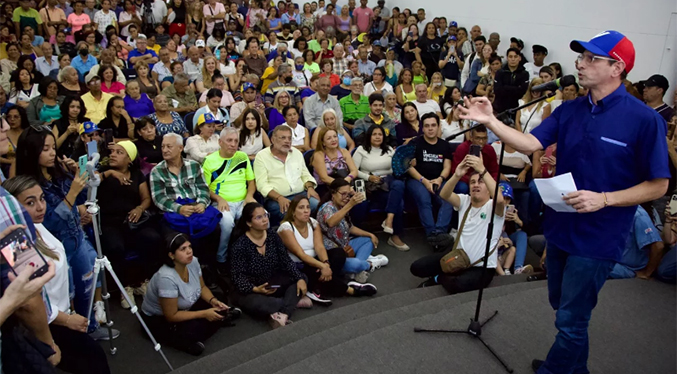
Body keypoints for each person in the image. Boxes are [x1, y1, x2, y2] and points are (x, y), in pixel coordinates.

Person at [458, 30, 670, 374]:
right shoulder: (570, 108)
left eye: (591, 59)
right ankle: (576, 367)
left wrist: (605, 199)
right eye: (581, 57)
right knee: (561, 305)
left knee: (572, 319)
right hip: (561, 227)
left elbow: (659, 185)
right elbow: (528, 144)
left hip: (600, 236)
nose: (580, 64)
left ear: (617, 67)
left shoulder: (645, 120)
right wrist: (491, 120)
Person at [3, 175, 112, 373]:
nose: (40, 207)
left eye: (42, 198)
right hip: (43, 326)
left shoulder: (39, 227)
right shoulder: (16, 243)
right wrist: (64, 323)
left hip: (60, 316)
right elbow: (27, 298)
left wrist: (70, 310)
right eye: (30, 202)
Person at [14, 126, 115, 339]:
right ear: (31, 152)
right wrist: (73, 194)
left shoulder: (58, 172)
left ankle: (89, 329)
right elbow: (47, 222)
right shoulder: (28, 185)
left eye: (53, 147)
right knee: (64, 295)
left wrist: (75, 176)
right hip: (54, 246)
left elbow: (80, 202)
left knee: (86, 287)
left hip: (77, 237)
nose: (52, 153)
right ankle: (70, 336)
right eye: (45, 149)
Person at [412, 153, 502, 292]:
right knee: (417, 267)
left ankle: (439, 278)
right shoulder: (465, 201)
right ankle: (446, 275)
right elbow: (444, 194)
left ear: (489, 188)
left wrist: (482, 170)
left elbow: (500, 200)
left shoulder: (493, 206)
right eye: (472, 182)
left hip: (482, 266)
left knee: (457, 285)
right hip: (457, 257)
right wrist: (457, 174)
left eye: (480, 181)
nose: (476, 185)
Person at [142, 233, 239, 356]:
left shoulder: (193, 261)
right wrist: (204, 313)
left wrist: (213, 301)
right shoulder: (166, 278)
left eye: (189, 247)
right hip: (160, 319)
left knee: (220, 298)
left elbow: (202, 287)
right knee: (193, 329)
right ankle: (216, 321)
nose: (189, 252)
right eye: (183, 249)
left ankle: (216, 319)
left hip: (185, 304)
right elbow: (171, 316)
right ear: (171, 255)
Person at [278, 194, 377, 305]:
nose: (306, 211)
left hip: (315, 261)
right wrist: (322, 266)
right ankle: (351, 290)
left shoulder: (313, 222)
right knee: (312, 271)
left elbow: (319, 246)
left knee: (338, 253)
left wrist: (326, 263)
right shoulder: (285, 228)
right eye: (301, 208)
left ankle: (319, 286)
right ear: (293, 212)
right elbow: (301, 254)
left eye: (308, 207)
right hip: (299, 265)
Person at [229, 201, 308, 327]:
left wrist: (299, 278)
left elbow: (285, 260)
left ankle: (282, 314)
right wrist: (255, 289)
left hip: (272, 281)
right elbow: (238, 277)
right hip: (252, 288)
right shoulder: (240, 245)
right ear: (249, 223)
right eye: (259, 217)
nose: (265, 220)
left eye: (265, 215)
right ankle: (290, 303)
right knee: (262, 304)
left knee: (302, 277)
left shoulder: (272, 235)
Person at [202, 127, 256, 271]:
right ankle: (221, 259)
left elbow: (251, 182)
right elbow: (205, 188)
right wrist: (219, 199)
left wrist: (249, 197)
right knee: (227, 223)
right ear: (220, 142)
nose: (233, 144)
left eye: (236, 141)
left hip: (244, 200)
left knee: (262, 218)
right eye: (229, 140)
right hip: (221, 202)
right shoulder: (209, 160)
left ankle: (256, 256)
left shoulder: (242, 157)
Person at [317, 178, 388, 283]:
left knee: (369, 240)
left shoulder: (342, 206)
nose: (346, 198)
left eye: (348, 194)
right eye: (343, 194)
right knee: (355, 264)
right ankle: (369, 264)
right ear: (333, 193)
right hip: (334, 255)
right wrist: (350, 204)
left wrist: (370, 234)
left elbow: (350, 227)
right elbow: (331, 222)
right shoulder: (327, 207)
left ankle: (356, 270)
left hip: (345, 245)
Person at [352, 125, 408, 250]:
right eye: (374, 134)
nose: (378, 137)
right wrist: (368, 177)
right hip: (373, 185)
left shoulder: (389, 150)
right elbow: (353, 170)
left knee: (398, 184)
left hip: (390, 181)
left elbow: (397, 167)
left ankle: (389, 220)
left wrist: (407, 164)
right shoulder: (361, 150)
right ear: (369, 136)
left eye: (380, 134)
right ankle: (395, 236)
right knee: (398, 201)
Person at [254, 125, 320, 226]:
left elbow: (305, 175)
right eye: (283, 138)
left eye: (289, 138)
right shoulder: (261, 156)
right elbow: (262, 185)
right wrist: (279, 197)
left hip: (300, 194)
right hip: (276, 199)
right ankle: (294, 235)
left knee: (315, 203)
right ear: (273, 139)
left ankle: (309, 232)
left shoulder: (297, 153)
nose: (287, 141)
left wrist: (310, 187)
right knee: (288, 211)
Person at [405, 113, 455, 242]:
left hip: (438, 179)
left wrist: (440, 179)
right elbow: (408, 167)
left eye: (433, 125)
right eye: (427, 126)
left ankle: (440, 233)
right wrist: (424, 181)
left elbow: (447, 166)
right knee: (424, 198)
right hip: (417, 180)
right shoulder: (415, 143)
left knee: (448, 198)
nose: (430, 128)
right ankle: (431, 233)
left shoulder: (444, 145)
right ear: (422, 128)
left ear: (438, 127)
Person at [451, 125, 499, 194]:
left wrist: (489, 181)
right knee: (462, 187)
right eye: (478, 138)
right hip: (465, 181)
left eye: (484, 138)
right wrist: (473, 181)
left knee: (501, 186)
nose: (481, 141)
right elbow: (455, 171)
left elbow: (495, 171)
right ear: (471, 138)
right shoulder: (462, 148)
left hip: (485, 179)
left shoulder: (490, 149)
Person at [493, 47, 530, 115]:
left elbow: (522, 92)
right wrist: (515, 88)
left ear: (519, 58)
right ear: (507, 58)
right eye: (510, 56)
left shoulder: (524, 74)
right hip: (500, 109)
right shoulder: (500, 72)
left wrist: (505, 87)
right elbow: (497, 90)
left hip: (517, 109)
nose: (513, 59)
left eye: (515, 57)